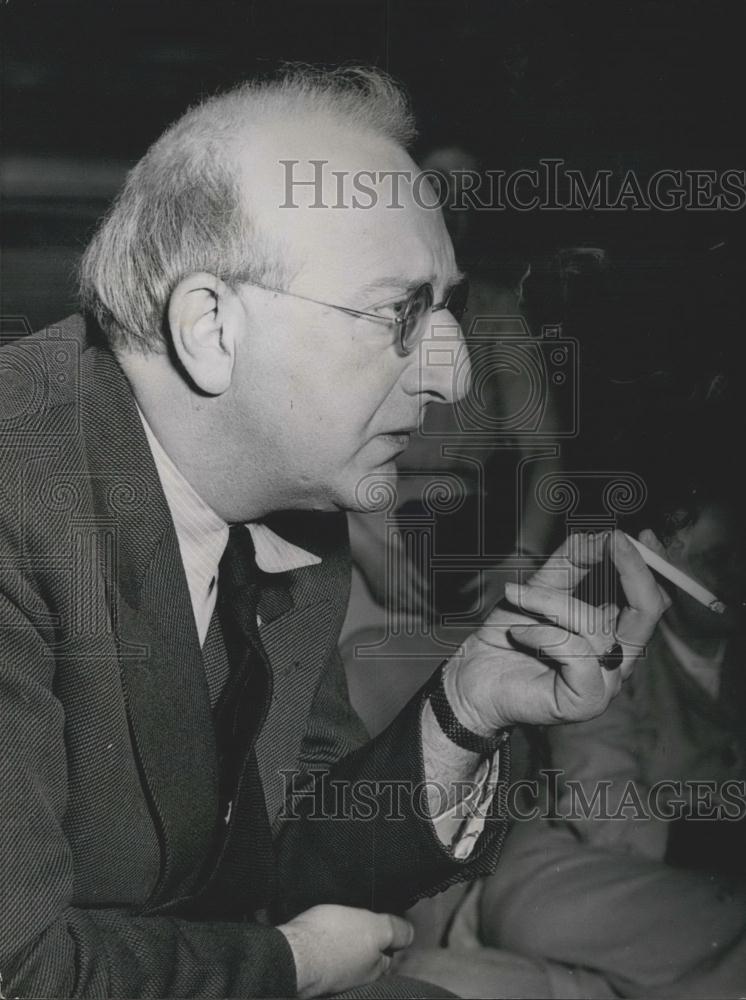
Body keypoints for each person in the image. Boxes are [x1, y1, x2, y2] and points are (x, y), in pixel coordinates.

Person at [0, 66, 666, 1000]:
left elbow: (281, 861)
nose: (455, 379)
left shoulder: (300, 521)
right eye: (401, 313)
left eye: (448, 308)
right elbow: (19, 970)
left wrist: (467, 707)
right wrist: (292, 966)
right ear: (210, 327)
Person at [462, 407, 746, 999]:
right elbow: (605, 805)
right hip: (596, 855)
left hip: (705, 892)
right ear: (656, 562)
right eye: (718, 561)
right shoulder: (605, 643)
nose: (739, 577)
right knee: (535, 908)